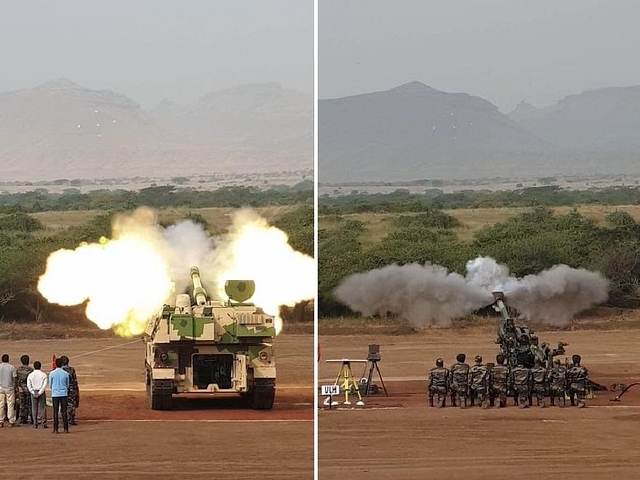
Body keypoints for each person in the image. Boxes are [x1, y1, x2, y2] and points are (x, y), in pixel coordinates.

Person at [49, 358, 70, 434]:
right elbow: (67, 384)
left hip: (55, 394)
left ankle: (55, 429)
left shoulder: (52, 373)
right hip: (64, 393)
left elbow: (50, 385)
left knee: (55, 412)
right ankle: (66, 428)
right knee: (64, 411)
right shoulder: (65, 373)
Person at [27, 361, 48, 428]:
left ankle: (35, 423)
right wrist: (40, 392)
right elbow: (44, 385)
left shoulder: (30, 375)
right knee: (43, 407)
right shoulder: (43, 374)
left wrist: (33, 392)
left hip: (33, 392)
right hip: (41, 392)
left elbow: (28, 385)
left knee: (34, 408)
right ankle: (43, 423)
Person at [60, 355, 79, 425]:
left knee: (62, 403)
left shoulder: (60, 370)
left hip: (62, 389)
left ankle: (64, 418)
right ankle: (71, 418)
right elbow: (75, 381)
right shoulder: (71, 370)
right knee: (71, 404)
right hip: (71, 389)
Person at [0, 354, 18, 427]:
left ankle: (1, 421)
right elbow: (15, 379)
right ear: (8, 359)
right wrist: (15, 387)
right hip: (9, 388)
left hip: (1, 388)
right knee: (10, 404)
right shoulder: (11, 367)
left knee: (1, 404)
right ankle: (11, 421)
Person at [16, 354, 34, 425]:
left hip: (21, 389)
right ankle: (32, 418)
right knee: (30, 404)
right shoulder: (31, 370)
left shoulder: (18, 370)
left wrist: (18, 388)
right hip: (29, 389)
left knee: (22, 404)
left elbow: (16, 380)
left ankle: (22, 418)